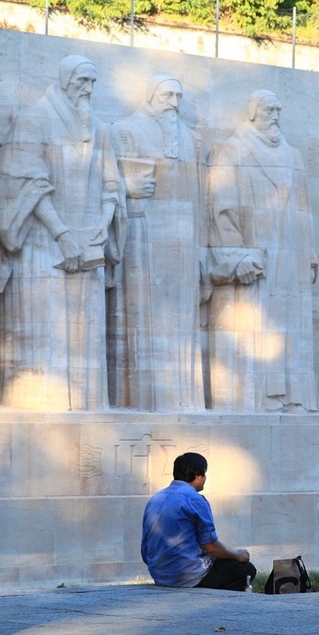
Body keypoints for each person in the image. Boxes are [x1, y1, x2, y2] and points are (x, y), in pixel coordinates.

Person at [0, 55, 125, 410]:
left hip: (90, 242)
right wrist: (62, 234)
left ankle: (86, 404)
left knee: (86, 331)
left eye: (93, 81)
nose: (89, 88)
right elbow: (28, 182)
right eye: (83, 80)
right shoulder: (34, 119)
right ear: (66, 80)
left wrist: (103, 224)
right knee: (45, 328)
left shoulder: (99, 129)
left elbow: (112, 184)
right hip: (44, 242)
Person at [205, 90, 318, 413]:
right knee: (255, 329)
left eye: (279, 109)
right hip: (256, 257)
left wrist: (310, 255)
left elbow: (304, 210)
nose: (276, 115)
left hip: (290, 256)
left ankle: (293, 397)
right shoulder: (232, 149)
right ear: (253, 111)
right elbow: (221, 207)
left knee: (290, 330)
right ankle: (257, 400)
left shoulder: (293, 156)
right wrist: (237, 255)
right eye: (269, 109)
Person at [107, 75, 207, 411]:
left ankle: (183, 399)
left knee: (182, 323)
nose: (174, 103)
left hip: (183, 242)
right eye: (167, 95)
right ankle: (138, 399)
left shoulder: (191, 140)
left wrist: (201, 249)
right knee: (140, 316)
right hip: (141, 233)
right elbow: (106, 181)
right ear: (151, 96)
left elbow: (201, 199)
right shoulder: (125, 130)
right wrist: (127, 187)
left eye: (179, 96)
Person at [141, 452, 255, 590]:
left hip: (160, 576)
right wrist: (237, 555)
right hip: (189, 576)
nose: (205, 478)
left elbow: (145, 549)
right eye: (205, 474)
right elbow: (211, 547)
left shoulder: (155, 499)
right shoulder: (195, 500)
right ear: (197, 476)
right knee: (246, 569)